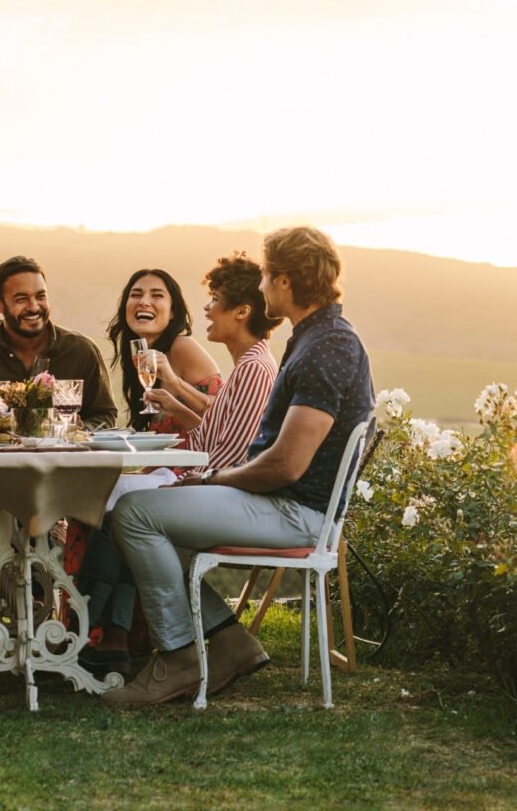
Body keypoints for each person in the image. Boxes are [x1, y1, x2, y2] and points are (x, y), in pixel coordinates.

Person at [103, 227, 374, 705]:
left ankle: (179, 656)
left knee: (134, 514)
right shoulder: (316, 338)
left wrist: (216, 479)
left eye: (268, 275)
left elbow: (287, 465)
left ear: (286, 281)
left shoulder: (327, 346)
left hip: (295, 512)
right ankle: (229, 640)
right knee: (160, 520)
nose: (263, 285)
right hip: (282, 503)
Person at [73, 254, 280, 677]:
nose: (206, 309)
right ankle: (214, 638)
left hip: (232, 499)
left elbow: (233, 454)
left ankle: (104, 629)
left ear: (241, 312)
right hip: (210, 484)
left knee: (127, 514)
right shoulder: (247, 366)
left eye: (215, 300)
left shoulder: (254, 368)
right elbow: (217, 433)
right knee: (123, 505)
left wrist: (188, 480)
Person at [0, 255, 116, 428]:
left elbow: (104, 415)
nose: (33, 307)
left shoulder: (81, 350)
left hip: (60, 456)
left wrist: (82, 429)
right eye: (21, 299)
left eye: (40, 296)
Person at [105, 268, 220, 434]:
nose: (144, 302)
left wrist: (173, 381)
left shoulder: (182, 347)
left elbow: (224, 414)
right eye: (136, 294)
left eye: (157, 295)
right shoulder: (138, 354)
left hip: (198, 459)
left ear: (172, 311)